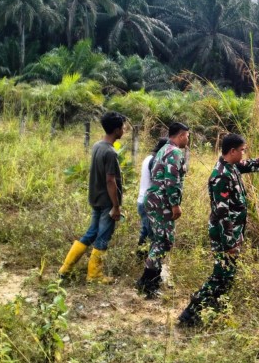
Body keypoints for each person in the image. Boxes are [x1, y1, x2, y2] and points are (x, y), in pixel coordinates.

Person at [177, 133, 259, 327]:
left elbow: (252, 164)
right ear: (232, 151)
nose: (243, 153)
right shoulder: (221, 176)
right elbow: (222, 214)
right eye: (242, 150)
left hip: (232, 233)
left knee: (228, 275)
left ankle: (214, 311)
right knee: (220, 276)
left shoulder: (231, 167)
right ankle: (189, 314)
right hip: (224, 235)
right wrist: (230, 242)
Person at [59, 111, 126, 283]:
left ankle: (65, 269)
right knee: (103, 235)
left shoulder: (97, 146)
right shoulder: (110, 153)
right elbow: (110, 180)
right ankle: (94, 275)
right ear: (116, 130)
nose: (124, 130)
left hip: (95, 198)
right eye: (123, 127)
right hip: (106, 202)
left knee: (91, 233)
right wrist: (116, 206)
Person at [136, 123, 190, 298]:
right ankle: (148, 283)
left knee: (158, 240)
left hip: (154, 199)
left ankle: (149, 280)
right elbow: (171, 180)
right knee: (164, 242)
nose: (187, 139)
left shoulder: (163, 149)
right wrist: (175, 204)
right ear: (181, 135)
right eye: (187, 136)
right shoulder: (174, 152)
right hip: (162, 202)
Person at [136, 137, 169, 259]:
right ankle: (152, 262)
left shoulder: (148, 158)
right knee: (154, 235)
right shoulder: (155, 161)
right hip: (149, 202)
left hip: (142, 200)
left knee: (145, 230)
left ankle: (140, 256)